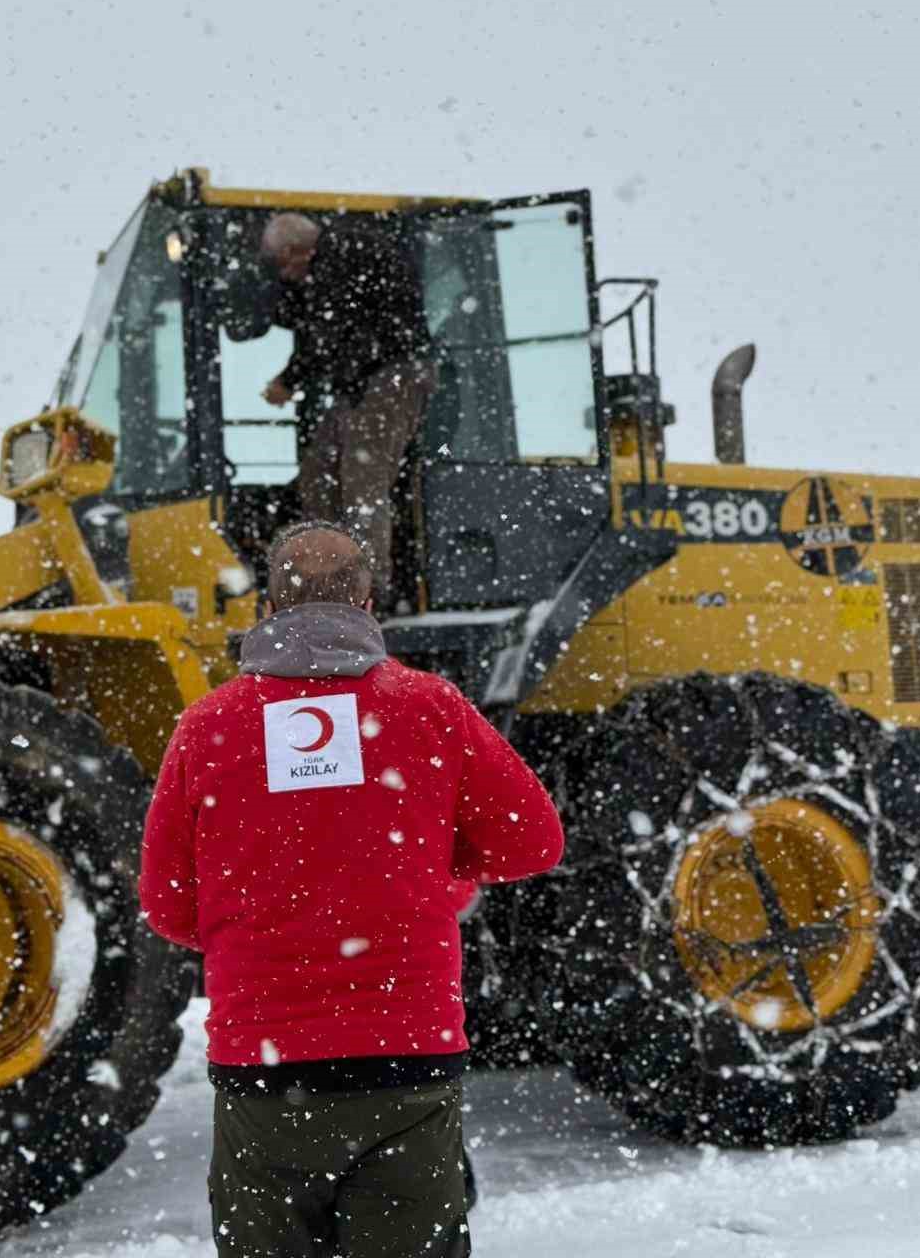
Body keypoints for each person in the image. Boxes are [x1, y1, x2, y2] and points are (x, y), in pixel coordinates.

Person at [139, 522, 564, 1258]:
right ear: (369, 598)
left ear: (268, 605)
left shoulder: (207, 727)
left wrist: (268, 916)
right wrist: (437, 877)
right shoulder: (432, 708)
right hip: (408, 1062)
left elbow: (170, 905)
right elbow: (534, 842)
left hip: (261, 1073)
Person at [258, 213, 435, 610]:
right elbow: (322, 332)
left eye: (280, 265)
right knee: (319, 473)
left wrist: (288, 380)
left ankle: (367, 595)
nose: (284, 277)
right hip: (359, 381)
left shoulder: (342, 257)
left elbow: (324, 333)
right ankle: (321, 577)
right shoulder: (331, 267)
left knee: (362, 480)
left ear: (293, 252)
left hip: (394, 373)